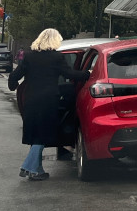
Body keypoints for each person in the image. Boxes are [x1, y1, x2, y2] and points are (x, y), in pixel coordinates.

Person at [8, 29, 90, 181]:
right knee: (43, 135)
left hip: (31, 99)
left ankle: (38, 170)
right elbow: (69, 74)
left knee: (36, 135)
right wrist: (87, 74)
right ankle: (29, 167)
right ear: (54, 41)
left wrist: (13, 86)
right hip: (48, 101)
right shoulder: (56, 57)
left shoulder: (29, 57)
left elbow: (15, 75)